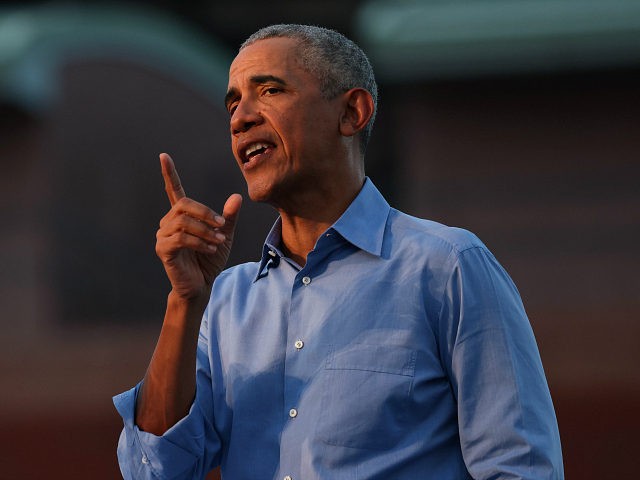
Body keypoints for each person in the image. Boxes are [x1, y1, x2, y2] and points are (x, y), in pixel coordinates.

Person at [114, 24, 564, 479]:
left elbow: (520, 468)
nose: (240, 118)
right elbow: (154, 470)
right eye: (233, 103)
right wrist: (185, 301)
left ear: (352, 112)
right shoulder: (227, 299)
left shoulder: (448, 267)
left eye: (269, 90)